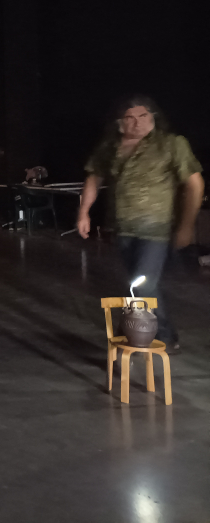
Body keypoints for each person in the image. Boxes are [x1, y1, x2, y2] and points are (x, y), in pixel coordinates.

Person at [77, 95, 204, 352]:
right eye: (130, 118)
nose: (137, 123)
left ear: (154, 118)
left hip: (156, 229)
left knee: (143, 283)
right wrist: (84, 211)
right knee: (136, 283)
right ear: (120, 122)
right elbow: (94, 176)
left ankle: (163, 336)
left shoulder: (171, 144)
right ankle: (137, 327)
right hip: (123, 228)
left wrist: (187, 225)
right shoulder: (110, 147)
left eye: (143, 116)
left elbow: (194, 183)